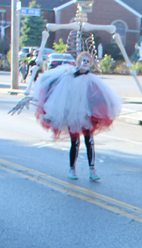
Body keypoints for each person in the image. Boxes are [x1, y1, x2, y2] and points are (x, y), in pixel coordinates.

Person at [32, 51, 122, 181]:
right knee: (75, 142)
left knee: (89, 141)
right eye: (83, 61)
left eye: (88, 61)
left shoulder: (92, 80)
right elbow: (58, 91)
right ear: (78, 62)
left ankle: (92, 169)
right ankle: (72, 168)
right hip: (72, 114)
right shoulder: (69, 77)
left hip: (87, 115)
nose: (85, 63)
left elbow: (100, 96)